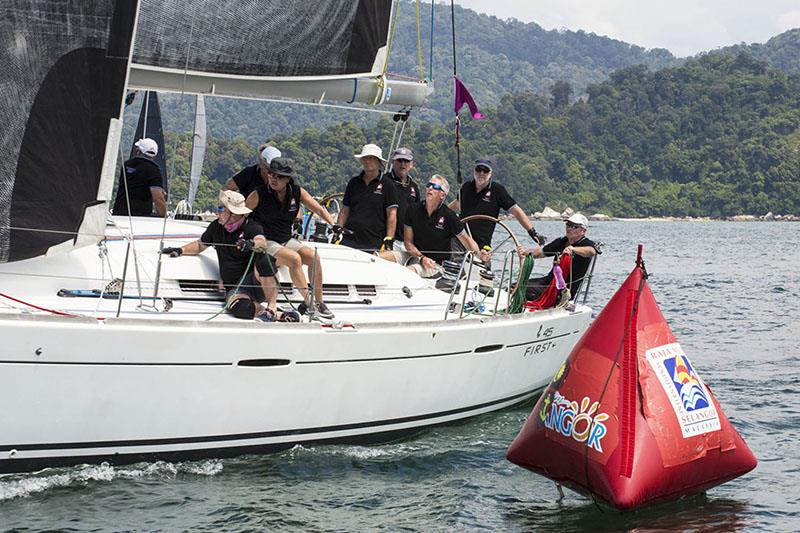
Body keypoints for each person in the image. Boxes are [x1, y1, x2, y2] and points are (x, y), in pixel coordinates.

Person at [160, 190, 288, 321]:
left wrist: (250, 243)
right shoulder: (216, 227)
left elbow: (262, 242)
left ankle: (272, 306)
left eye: (221, 209)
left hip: (255, 282)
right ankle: (277, 315)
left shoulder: (251, 226)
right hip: (236, 289)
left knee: (265, 260)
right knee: (242, 309)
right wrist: (180, 250)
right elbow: (200, 244)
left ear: (233, 214)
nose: (218, 212)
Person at [246, 158, 336, 320]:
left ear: (287, 179)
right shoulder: (258, 194)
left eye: (279, 176)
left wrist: (334, 225)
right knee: (295, 259)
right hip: (266, 241)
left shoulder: (296, 192)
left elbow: (319, 209)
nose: (274, 179)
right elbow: (241, 214)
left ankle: (320, 302)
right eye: (271, 174)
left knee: (313, 257)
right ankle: (309, 304)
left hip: (285, 239)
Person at [378, 174, 486, 277]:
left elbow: (467, 241)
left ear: (442, 195)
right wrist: (421, 258)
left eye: (435, 187)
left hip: (435, 264)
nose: (430, 188)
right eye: (428, 185)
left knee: (409, 271)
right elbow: (408, 243)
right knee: (377, 257)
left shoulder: (449, 216)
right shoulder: (412, 209)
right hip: (414, 255)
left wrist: (480, 255)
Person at [448, 158, 545, 250]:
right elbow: (454, 206)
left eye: (485, 170)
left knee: (482, 261)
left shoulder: (498, 190)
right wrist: (436, 215)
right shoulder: (466, 187)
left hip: (482, 245)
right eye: (478, 169)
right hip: (460, 239)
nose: (481, 173)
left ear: (490, 173)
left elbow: (516, 211)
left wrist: (532, 232)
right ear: (474, 171)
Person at [517, 213, 602, 301]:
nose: (569, 228)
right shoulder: (562, 241)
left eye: (574, 226)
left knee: (523, 289)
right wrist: (524, 252)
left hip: (563, 290)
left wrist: (573, 249)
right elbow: (540, 252)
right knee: (516, 286)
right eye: (568, 225)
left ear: (583, 231)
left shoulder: (586, 243)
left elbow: (592, 251)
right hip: (549, 281)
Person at [337, 143, 398, 252]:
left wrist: (389, 238)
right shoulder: (353, 182)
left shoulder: (388, 185)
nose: (368, 161)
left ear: (378, 161)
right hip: (348, 239)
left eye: (371, 158)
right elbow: (345, 210)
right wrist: (338, 229)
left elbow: (392, 214)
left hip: (374, 242)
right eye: (365, 158)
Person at [112, 138, 167, 217]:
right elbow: (158, 198)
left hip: (119, 213)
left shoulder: (126, 165)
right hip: (140, 216)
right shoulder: (153, 170)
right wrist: (163, 215)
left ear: (139, 151)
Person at [386, 147, 420, 247]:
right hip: (387, 238)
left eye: (406, 161)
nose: (403, 164)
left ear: (411, 164)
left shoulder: (414, 187)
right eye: (400, 160)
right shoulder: (384, 181)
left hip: (407, 242)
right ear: (393, 162)